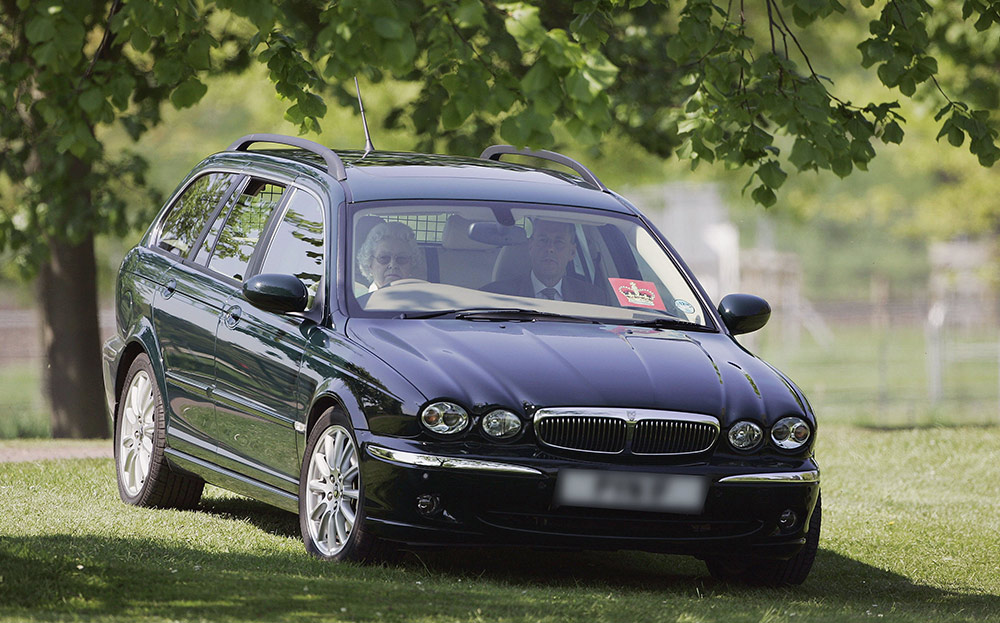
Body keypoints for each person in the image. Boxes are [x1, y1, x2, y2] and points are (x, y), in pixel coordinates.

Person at [482, 219, 608, 305]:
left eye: (559, 242)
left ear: (572, 253)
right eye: (543, 240)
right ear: (531, 246)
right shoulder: (494, 297)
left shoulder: (593, 299)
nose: (550, 249)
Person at [356, 221, 424, 291]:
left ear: (411, 264)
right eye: (384, 258)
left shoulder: (424, 299)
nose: (393, 265)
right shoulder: (358, 299)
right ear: (369, 264)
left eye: (401, 258)